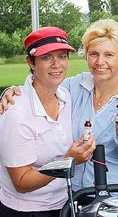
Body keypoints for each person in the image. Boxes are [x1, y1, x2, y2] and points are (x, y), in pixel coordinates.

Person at [0, 19, 118, 198]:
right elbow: (40, 86)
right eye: (93, 54)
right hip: (74, 198)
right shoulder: (72, 87)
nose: (99, 62)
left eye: (109, 55)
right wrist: (11, 93)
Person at [0, 27, 95, 216]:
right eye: (46, 57)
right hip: (26, 210)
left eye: (62, 56)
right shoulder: (16, 113)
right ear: (31, 62)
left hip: (63, 203)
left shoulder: (66, 95)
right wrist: (68, 161)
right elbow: (21, 182)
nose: (56, 64)